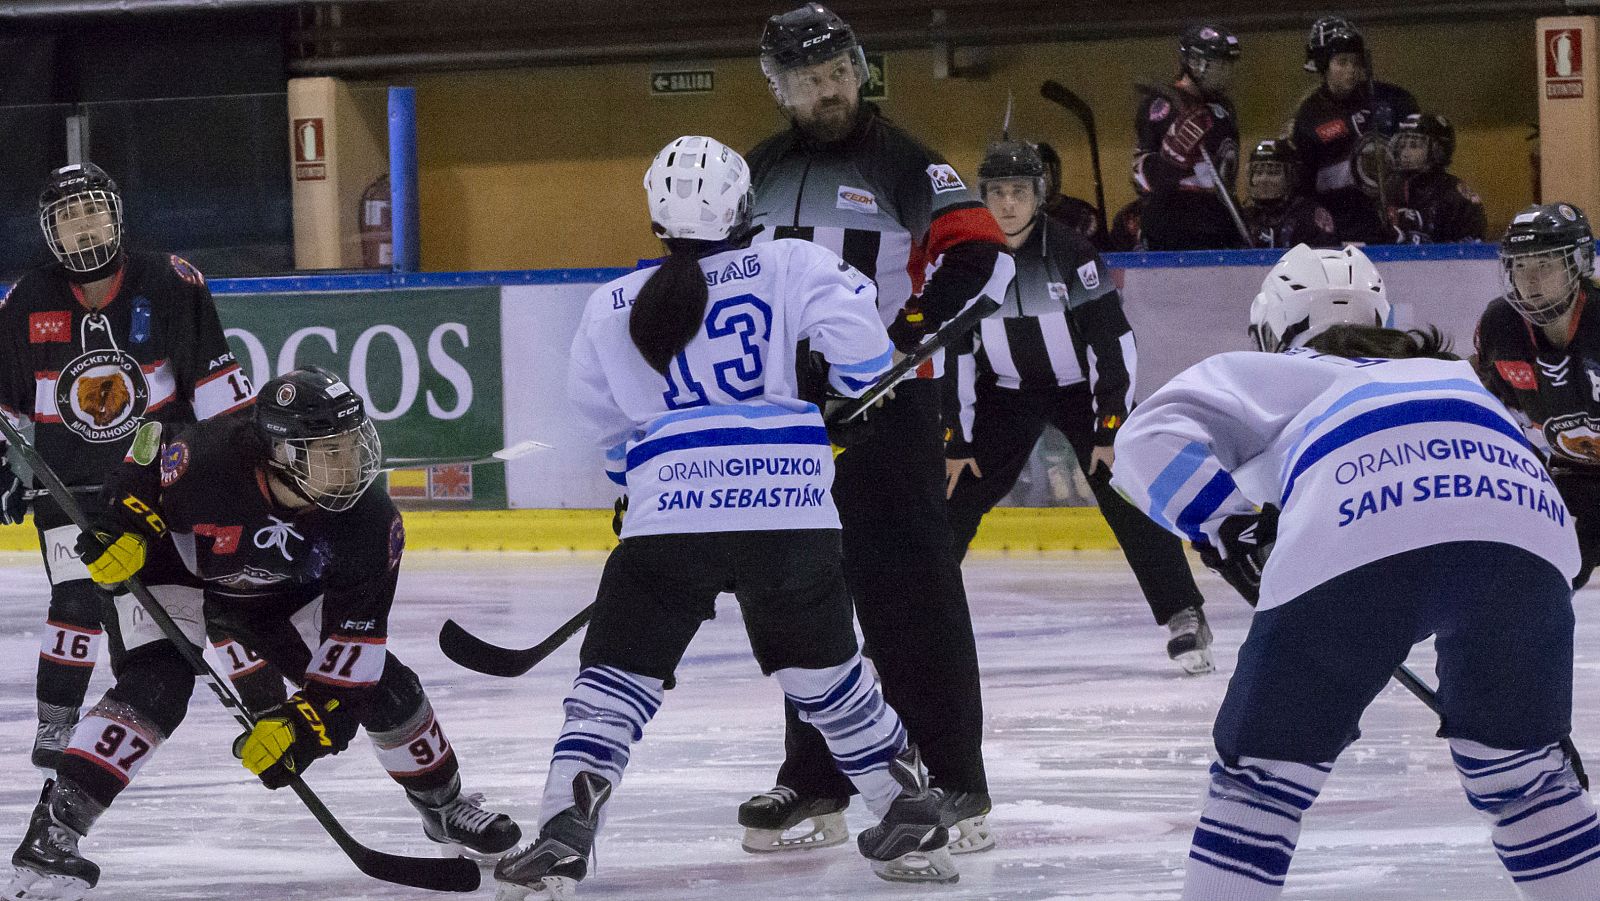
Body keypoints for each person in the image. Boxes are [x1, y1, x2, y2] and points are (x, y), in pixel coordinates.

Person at [492, 136, 958, 899]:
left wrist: (633, 492)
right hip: (790, 510)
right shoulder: (794, 263)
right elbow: (869, 361)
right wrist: (829, 393)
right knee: (827, 675)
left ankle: (566, 828)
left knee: (615, 678)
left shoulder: (611, 303)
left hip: (669, 513)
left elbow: (609, 432)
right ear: (745, 205)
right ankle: (904, 803)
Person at [1113, 242, 1598, 899]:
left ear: (1272, 327)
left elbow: (1146, 437)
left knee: (1260, 782)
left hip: (1355, 522)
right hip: (1526, 528)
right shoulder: (1453, 373)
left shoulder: (1282, 371)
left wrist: (1230, 527)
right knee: (1524, 778)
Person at [11, 365, 520, 900]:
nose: (350, 462)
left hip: (276, 601)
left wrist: (304, 730)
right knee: (155, 689)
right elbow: (143, 459)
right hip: (171, 571)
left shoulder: (371, 524)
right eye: (330, 451)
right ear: (281, 453)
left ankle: (444, 807)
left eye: (351, 443)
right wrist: (124, 529)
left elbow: (354, 653)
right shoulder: (207, 459)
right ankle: (53, 832)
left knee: (390, 692)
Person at [740, 2, 1014, 857]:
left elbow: (981, 257)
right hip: (793, 420)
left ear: (858, 69)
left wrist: (887, 353)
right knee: (803, 595)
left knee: (911, 594)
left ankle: (955, 776)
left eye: (838, 74)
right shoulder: (757, 170)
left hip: (890, 416)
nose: (830, 92)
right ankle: (815, 777)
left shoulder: (901, 160)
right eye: (809, 81)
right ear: (778, 88)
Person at [0, 162, 287, 882]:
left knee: (227, 607)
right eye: (68, 220)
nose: (84, 230)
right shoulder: (26, 298)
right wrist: (8, 469)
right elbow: (7, 405)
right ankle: (59, 734)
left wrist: (237, 478)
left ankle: (277, 709)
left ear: (119, 216)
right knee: (94, 611)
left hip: (163, 492)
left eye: (93, 214)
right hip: (71, 492)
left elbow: (220, 401)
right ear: (48, 233)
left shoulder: (173, 282)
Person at [944, 139, 1216, 674]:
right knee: (952, 501)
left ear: (1039, 195)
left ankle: (1184, 614)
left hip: (1081, 391)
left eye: (1018, 191)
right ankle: (908, 626)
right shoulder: (968, 260)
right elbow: (955, 353)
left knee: (1125, 493)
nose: (1007, 204)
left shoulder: (1071, 253)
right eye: (996, 192)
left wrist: (1111, 428)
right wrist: (956, 438)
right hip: (1004, 392)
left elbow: (1113, 345)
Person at [1475, 202, 1600, 588]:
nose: (1530, 280)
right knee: (1533, 579)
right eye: (1521, 266)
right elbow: (1496, 416)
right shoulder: (1500, 327)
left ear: (1576, 264)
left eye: (1544, 264)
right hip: (1569, 475)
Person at [1292, 15, 1419, 244]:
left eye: (1355, 62)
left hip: (1383, 219)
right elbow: (1305, 181)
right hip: (1337, 222)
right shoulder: (1309, 114)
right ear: (1323, 66)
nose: (1351, 70)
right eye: (1342, 62)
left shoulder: (1390, 100)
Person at [1133, 24, 1244, 251]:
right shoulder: (1161, 107)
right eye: (1220, 65)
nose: (1226, 73)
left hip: (1220, 230)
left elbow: (1226, 177)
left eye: (1229, 65)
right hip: (1171, 232)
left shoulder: (1224, 108)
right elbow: (1140, 178)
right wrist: (1174, 156)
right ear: (1194, 63)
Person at [1386, 112, 1486, 245]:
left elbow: (1471, 245)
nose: (1405, 153)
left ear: (1438, 149)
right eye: (1402, 145)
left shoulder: (1455, 194)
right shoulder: (1389, 188)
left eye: (1415, 146)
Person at [1242, 138, 1337, 249]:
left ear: (1293, 176)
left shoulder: (1310, 216)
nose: (1264, 179)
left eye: (1273, 173)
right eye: (1258, 172)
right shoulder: (1244, 218)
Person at [1034, 141, 1103, 248]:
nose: (1041, 180)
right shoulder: (1018, 217)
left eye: (1045, 172)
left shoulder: (1082, 214)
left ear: (1056, 173)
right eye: (1033, 175)